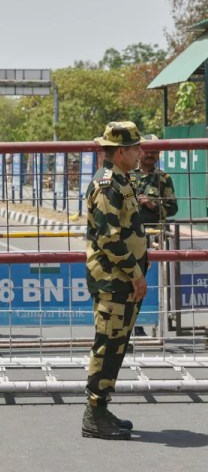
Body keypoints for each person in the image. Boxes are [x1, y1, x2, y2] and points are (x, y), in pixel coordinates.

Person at [82, 121, 148, 440]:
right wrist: (136, 274)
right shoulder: (108, 185)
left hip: (122, 278)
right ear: (120, 152)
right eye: (136, 148)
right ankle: (93, 414)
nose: (140, 153)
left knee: (117, 344)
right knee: (107, 344)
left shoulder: (122, 179)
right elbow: (109, 238)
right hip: (113, 278)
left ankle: (101, 408)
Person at [129, 134, 178, 244]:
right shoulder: (126, 173)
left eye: (154, 151)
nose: (150, 154)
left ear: (159, 154)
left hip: (155, 236)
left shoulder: (164, 179)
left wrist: (153, 205)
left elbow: (173, 208)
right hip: (129, 234)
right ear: (139, 151)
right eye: (147, 151)